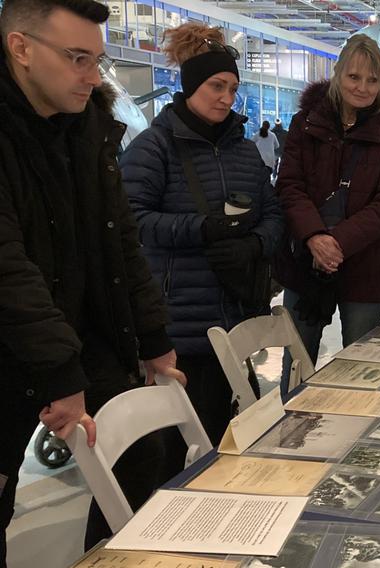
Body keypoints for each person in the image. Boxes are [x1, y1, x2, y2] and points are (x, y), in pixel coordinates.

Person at [0, 0, 186, 558]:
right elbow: (5, 264)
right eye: (78, 58)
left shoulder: (88, 128)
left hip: (88, 332)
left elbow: (119, 241)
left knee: (141, 463)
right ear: (21, 48)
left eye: (96, 60)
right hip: (15, 339)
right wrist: (58, 369)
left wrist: (153, 339)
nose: (92, 76)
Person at [121, 23, 284, 444]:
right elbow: (130, 221)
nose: (226, 98)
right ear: (192, 84)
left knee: (222, 438)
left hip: (236, 320)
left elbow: (274, 214)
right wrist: (201, 229)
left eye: (232, 87)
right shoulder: (154, 148)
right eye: (216, 85)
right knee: (170, 451)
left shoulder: (244, 150)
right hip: (179, 328)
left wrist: (253, 245)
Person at [275, 34, 380, 369]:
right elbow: (291, 186)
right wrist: (315, 238)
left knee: (359, 369)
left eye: (372, 80)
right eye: (354, 77)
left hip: (367, 265)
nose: (363, 88)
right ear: (338, 74)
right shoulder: (305, 123)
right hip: (307, 262)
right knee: (298, 366)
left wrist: (336, 243)